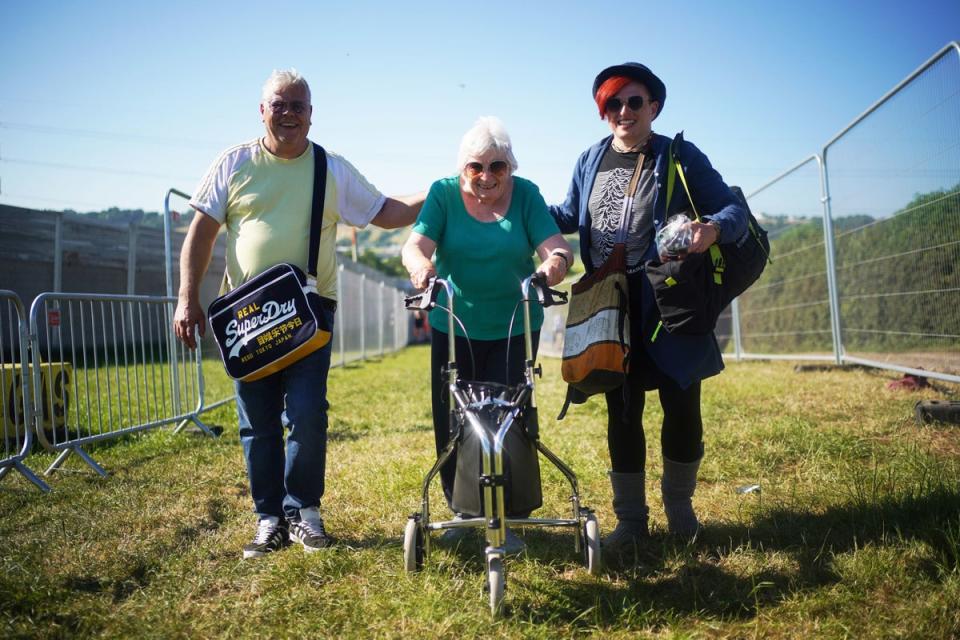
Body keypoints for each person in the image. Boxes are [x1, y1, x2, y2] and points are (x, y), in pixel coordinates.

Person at [173, 69, 424, 559]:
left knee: (307, 415)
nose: (289, 114)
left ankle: (304, 512)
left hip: (310, 313)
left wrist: (441, 192)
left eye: (299, 106)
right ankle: (269, 519)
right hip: (247, 318)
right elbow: (200, 234)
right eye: (279, 105)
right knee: (257, 422)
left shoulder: (330, 168)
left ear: (312, 114)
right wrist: (187, 298)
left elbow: (386, 211)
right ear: (262, 110)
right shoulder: (234, 163)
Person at [549, 63, 747, 554]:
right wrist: (514, 205)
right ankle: (632, 522)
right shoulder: (589, 160)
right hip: (612, 304)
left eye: (633, 101)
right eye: (613, 103)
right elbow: (568, 215)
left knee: (682, 404)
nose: (623, 111)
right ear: (603, 112)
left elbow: (733, 208)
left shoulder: (677, 155)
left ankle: (681, 514)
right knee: (621, 407)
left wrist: (712, 229)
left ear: (653, 107)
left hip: (671, 299)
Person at [401, 116, 573, 553]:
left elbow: (556, 246)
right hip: (454, 323)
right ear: (462, 168)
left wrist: (553, 263)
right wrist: (422, 268)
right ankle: (461, 508)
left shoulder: (527, 194)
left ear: (510, 168)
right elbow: (415, 244)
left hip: (514, 323)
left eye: (498, 167)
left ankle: (507, 514)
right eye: (476, 167)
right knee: (454, 418)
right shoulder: (442, 194)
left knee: (508, 420)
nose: (486, 176)